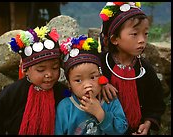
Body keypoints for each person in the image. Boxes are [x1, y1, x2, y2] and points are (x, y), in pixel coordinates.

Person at [99, 2, 166, 135]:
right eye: (135, 34)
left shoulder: (145, 70)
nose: (142, 40)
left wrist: (147, 123)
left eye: (145, 34)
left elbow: (156, 102)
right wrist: (101, 82)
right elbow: (84, 77)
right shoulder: (100, 63)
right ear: (114, 39)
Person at [0, 25, 68, 135]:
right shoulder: (13, 93)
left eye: (55, 68)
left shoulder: (62, 92)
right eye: (41, 70)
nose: (49, 74)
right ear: (26, 69)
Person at [55, 35, 128, 135]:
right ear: (69, 84)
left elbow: (122, 129)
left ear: (101, 76)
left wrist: (100, 114)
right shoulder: (65, 107)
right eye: (78, 80)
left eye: (93, 77)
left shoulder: (109, 100)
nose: (87, 85)